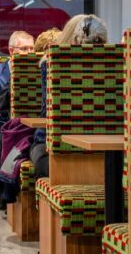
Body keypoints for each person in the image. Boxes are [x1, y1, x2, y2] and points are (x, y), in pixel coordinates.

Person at [32, 15, 108, 178]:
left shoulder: (52, 63)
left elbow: (47, 113)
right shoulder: (112, 63)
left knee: (41, 161)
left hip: (51, 144)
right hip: (105, 150)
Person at [0, 30, 34, 210]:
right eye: (24, 49)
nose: (29, 53)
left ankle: (11, 186)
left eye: (32, 48)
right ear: (12, 51)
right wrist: (9, 102)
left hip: (28, 121)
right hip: (3, 120)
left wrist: (1, 100)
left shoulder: (38, 70)